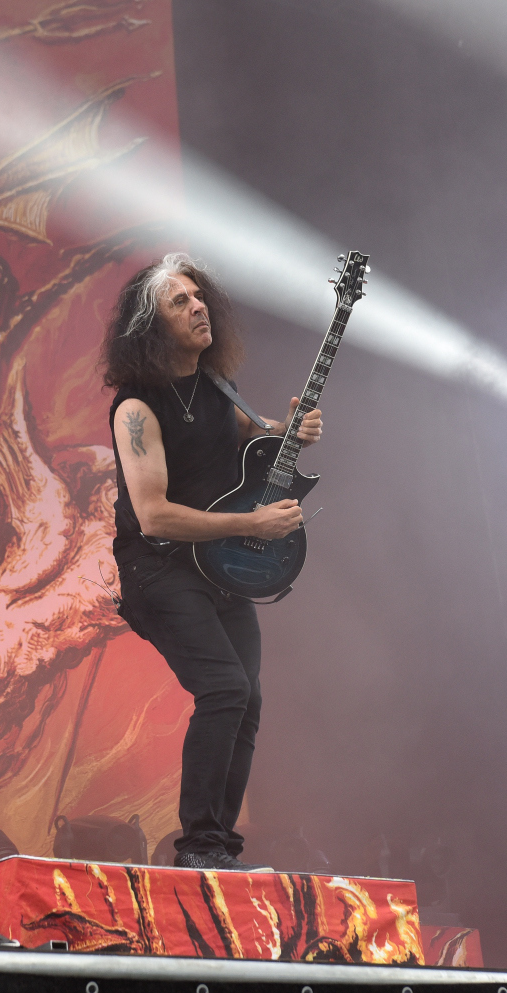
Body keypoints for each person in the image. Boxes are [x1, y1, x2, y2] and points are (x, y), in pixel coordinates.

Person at [103, 253, 322, 871]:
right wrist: (252, 525)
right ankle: (198, 845)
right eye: (180, 301)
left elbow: (250, 440)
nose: (199, 306)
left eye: (199, 297)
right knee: (224, 687)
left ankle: (219, 846)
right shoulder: (136, 408)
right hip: (158, 570)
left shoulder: (217, 388)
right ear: (151, 326)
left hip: (215, 568)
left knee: (246, 700)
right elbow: (154, 515)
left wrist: (291, 431)